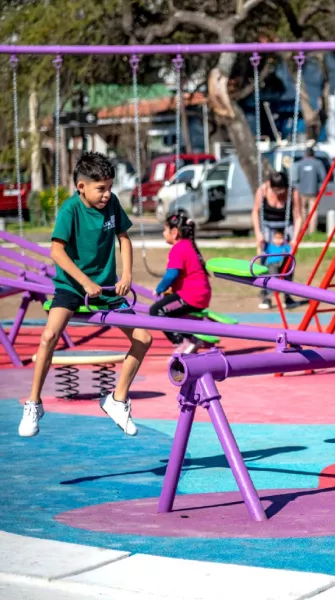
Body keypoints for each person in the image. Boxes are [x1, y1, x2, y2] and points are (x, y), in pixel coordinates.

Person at [18, 152, 153, 438]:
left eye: (110, 187)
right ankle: (34, 404)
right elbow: (56, 251)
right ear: (82, 187)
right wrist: (83, 281)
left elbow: (124, 240)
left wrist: (126, 276)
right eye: (100, 188)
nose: (107, 194)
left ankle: (117, 400)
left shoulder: (113, 205)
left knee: (145, 337)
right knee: (48, 336)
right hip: (72, 287)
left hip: (105, 289)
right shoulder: (70, 210)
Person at [150, 210, 212, 353]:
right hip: (200, 295)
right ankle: (190, 339)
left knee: (156, 310)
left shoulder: (178, 248)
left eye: (165, 229)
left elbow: (172, 275)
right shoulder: (188, 246)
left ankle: (182, 342)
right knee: (170, 308)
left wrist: (159, 288)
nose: (163, 233)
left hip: (191, 296)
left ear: (175, 232)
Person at [252, 170, 302, 257]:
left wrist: (295, 238)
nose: (278, 194)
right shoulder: (263, 191)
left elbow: (298, 217)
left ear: (286, 187)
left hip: (286, 226)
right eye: (275, 191)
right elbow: (255, 212)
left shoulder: (293, 193)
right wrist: (258, 234)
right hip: (268, 226)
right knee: (268, 255)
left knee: (287, 256)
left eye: (281, 191)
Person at [259, 229, 303, 310]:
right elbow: (262, 248)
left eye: (280, 238)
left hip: (283, 266)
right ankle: (267, 299)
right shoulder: (269, 246)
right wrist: (261, 241)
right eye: (276, 238)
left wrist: (293, 246)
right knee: (273, 283)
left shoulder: (285, 246)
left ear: (284, 239)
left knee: (287, 277)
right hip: (272, 266)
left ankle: (287, 299)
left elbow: (292, 253)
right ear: (273, 239)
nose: (278, 240)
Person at [291, 148, 328, 230]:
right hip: (314, 191)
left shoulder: (298, 164)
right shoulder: (318, 163)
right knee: (313, 212)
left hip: (301, 192)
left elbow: (294, 179)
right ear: (313, 154)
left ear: (305, 154)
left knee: (302, 211)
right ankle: (312, 230)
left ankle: (302, 229)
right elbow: (323, 177)